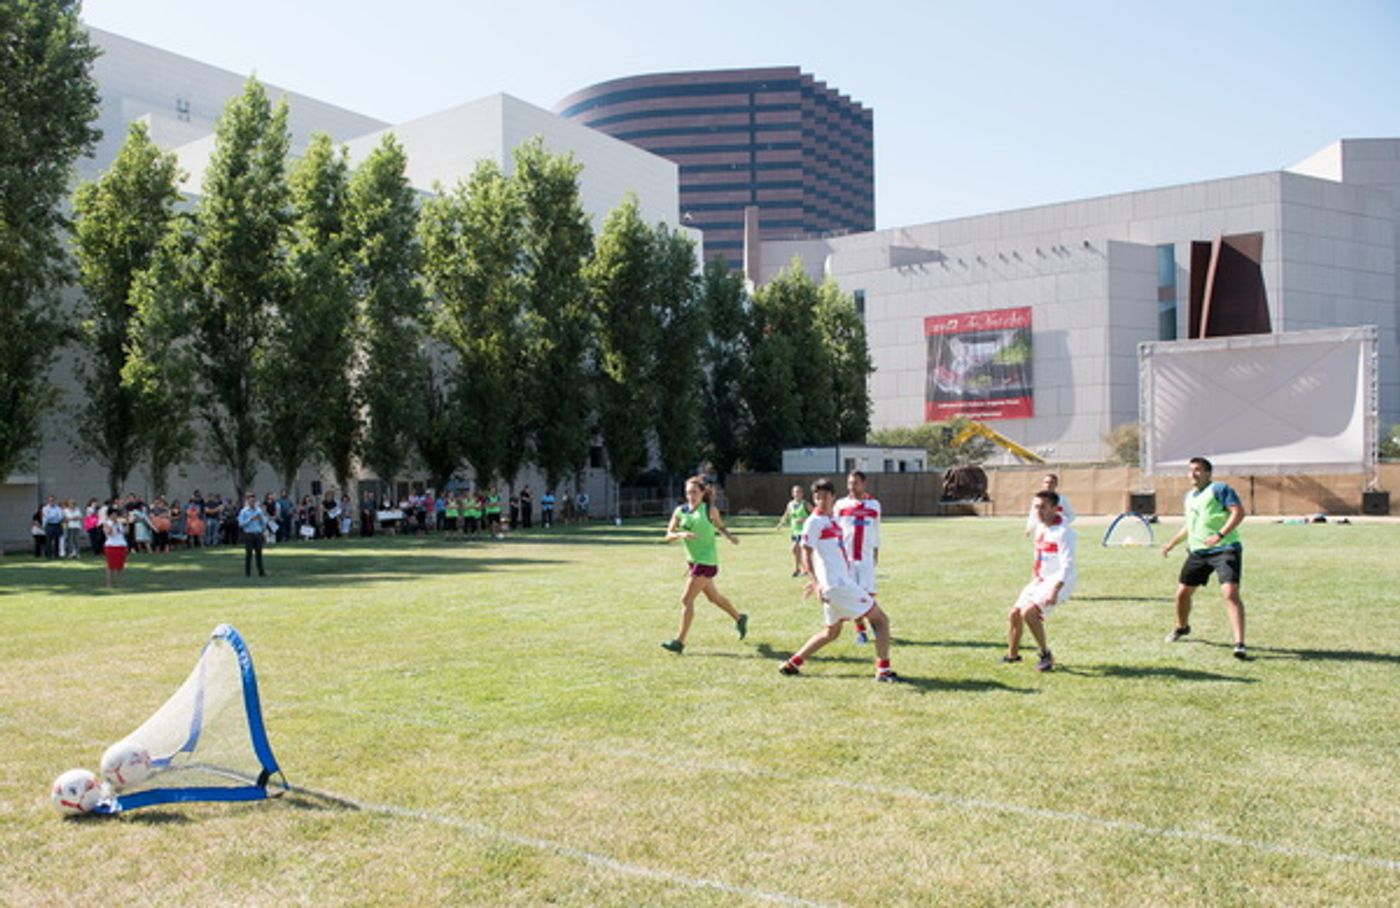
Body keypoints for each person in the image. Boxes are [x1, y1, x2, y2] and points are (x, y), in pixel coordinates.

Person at [778, 477, 901, 681]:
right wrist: (816, 582)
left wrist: (817, 580)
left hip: (836, 584)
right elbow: (806, 553)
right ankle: (883, 671)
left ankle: (793, 663)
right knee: (880, 620)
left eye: (825, 497)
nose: (821, 501)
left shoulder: (832, 520)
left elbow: (824, 555)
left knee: (831, 633)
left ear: (833, 497)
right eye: (817, 497)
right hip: (837, 586)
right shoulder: (814, 522)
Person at [1161, 456, 1249, 659]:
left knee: (1230, 592)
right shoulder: (1189, 496)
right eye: (1191, 470)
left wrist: (1220, 535)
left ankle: (1239, 644)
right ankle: (1182, 627)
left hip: (1225, 549)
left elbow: (1239, 512)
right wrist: (1171, 543)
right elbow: (1189, 526)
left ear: (1208, 473)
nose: (1193, 474)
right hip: (1198, 552)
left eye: (1198, 470)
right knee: (1182, 594)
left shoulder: (1220, 489)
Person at [660, 475, 747, 654]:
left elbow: (720, 526)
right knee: (713, 597)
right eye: (688, 492)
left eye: (694, 492)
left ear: (702, 493)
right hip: (693, 562)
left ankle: (679, 642)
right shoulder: (680, 511)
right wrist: (681, 535)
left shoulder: (710, 510)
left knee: (686, 599)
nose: (691, 496)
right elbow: (668, 534)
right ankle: (739, 618)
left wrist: (730, 537)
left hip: (707, 561)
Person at [1004, 490, 1077, 672]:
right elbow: (1039, 556)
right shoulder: (1041, 527)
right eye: (1036, 507)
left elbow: (1067, 565)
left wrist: (1054, 590)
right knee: (1014, 613)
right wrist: (1033, 580)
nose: (1038, 511)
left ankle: (1045, 654)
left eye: (1043, 507)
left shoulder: (1063, 532)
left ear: (1055, 508)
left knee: (1029, 613)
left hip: (1060, 582)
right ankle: (1012, 656)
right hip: (1040, 580)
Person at [834, 470, 882, 644]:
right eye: (849, 483)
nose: (851, 487)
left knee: (868, 595)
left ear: (864, 484)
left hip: (866, 557)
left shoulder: (874, 505)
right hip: (847, 559)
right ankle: (860, 631)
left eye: (855, 483)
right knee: (854, 596)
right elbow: (836, 532)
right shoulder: (840, 505)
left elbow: (876, 531)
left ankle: (876, 626)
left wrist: (876, 553)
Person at [774, 484, 811, 577]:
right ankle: (803, 569)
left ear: (802, 494)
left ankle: (798, 569)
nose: (796, 494)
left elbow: (815, 514)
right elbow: (786, 515)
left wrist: (804, 519)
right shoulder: (790, 504)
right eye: (795, 492)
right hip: (795, 531)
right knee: (796, 551)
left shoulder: (805, 504)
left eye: (798, 492)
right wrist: (780, 524)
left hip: (804, 531)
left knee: (795, 548)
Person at [1025, 473, 1076, 537]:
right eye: (1046, 482)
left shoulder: (1062, 499)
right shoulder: (1037, 499)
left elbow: (1071, 515)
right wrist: (1030, 527)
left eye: (1051, 482)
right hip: (1042, 530)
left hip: (1057, 531)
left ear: (1056, 484)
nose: (1048, 485)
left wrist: (1062, 522)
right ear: (1043, 484)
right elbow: (1033, 514)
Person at [238, 492, 270, 577]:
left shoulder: (258, 510)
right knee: (248, 554)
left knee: (259, 553)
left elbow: (264, 523)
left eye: (253, 500)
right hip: (249, 534)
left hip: (258, 534)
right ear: (247, 501)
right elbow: (241, 524)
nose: (252, 502)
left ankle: (261, 572)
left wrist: (262, 517)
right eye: (250, 500)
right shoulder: (244, 512)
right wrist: (250, 519)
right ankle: (247, 573)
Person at [102, 504, 130, 588]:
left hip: (121, 545)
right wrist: (112, 524)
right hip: (111, 545)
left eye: (116, 514)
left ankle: (117, 582)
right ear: (109, 515)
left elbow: (126, 532)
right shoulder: (107, 523)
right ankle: (109, 583)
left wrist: (127, 522)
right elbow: (108, 533)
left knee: (120, 566)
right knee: (110, 565)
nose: (115, 516)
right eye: (113, 514)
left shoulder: (119, 523)